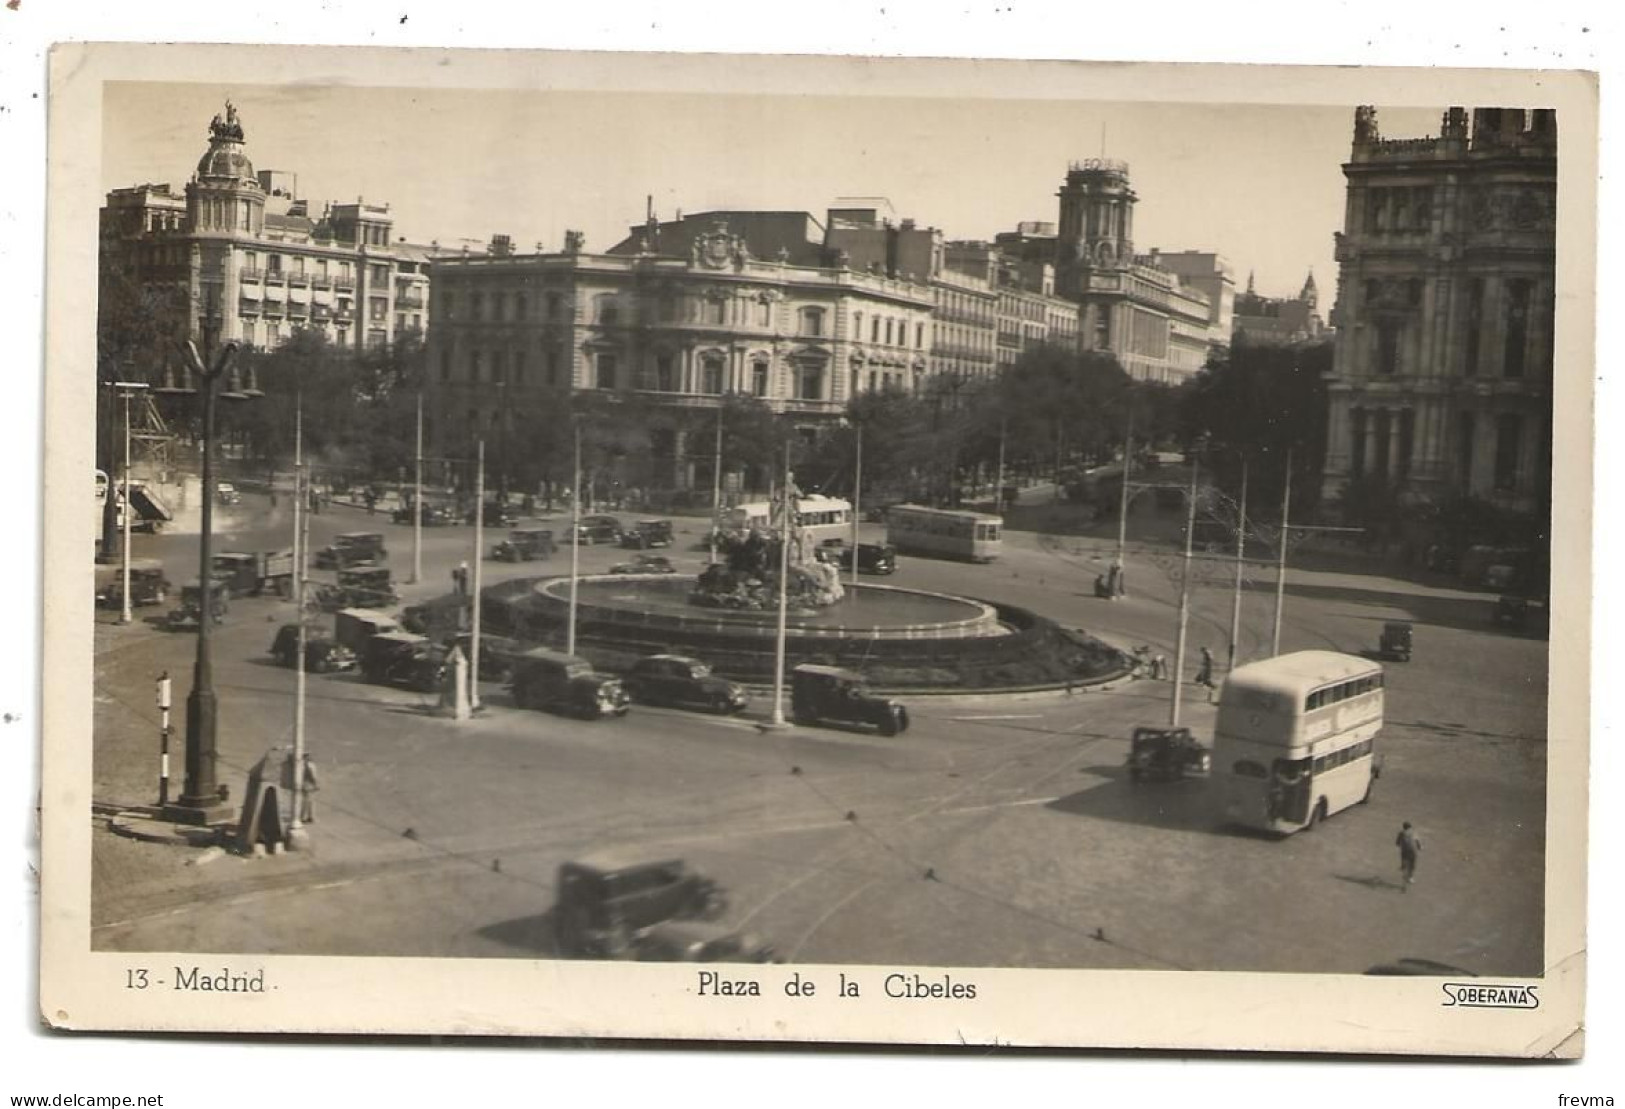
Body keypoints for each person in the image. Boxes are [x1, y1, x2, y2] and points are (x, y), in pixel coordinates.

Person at [1396, 821, 1422, 890]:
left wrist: (1399, 844)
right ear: (1410, 827)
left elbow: (1397, 843)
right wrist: (1420, 847)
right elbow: (1417, 841)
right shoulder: (1413, 832)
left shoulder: (1401, 833)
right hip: (1413, 851)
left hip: (1405, 852)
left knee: (1404, 860)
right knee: (1413, 865)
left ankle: (1403, 866)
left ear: (1403, 827)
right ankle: (1410, 877)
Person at [297, 753, 320, 824]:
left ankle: (305, 816)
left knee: (306, 801)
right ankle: (308, 817)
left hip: (304, 784)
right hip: (309, 785)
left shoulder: (300, 765)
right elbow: (312, 775)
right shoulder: (310, 765)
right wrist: (316, 784)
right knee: (310, 802)